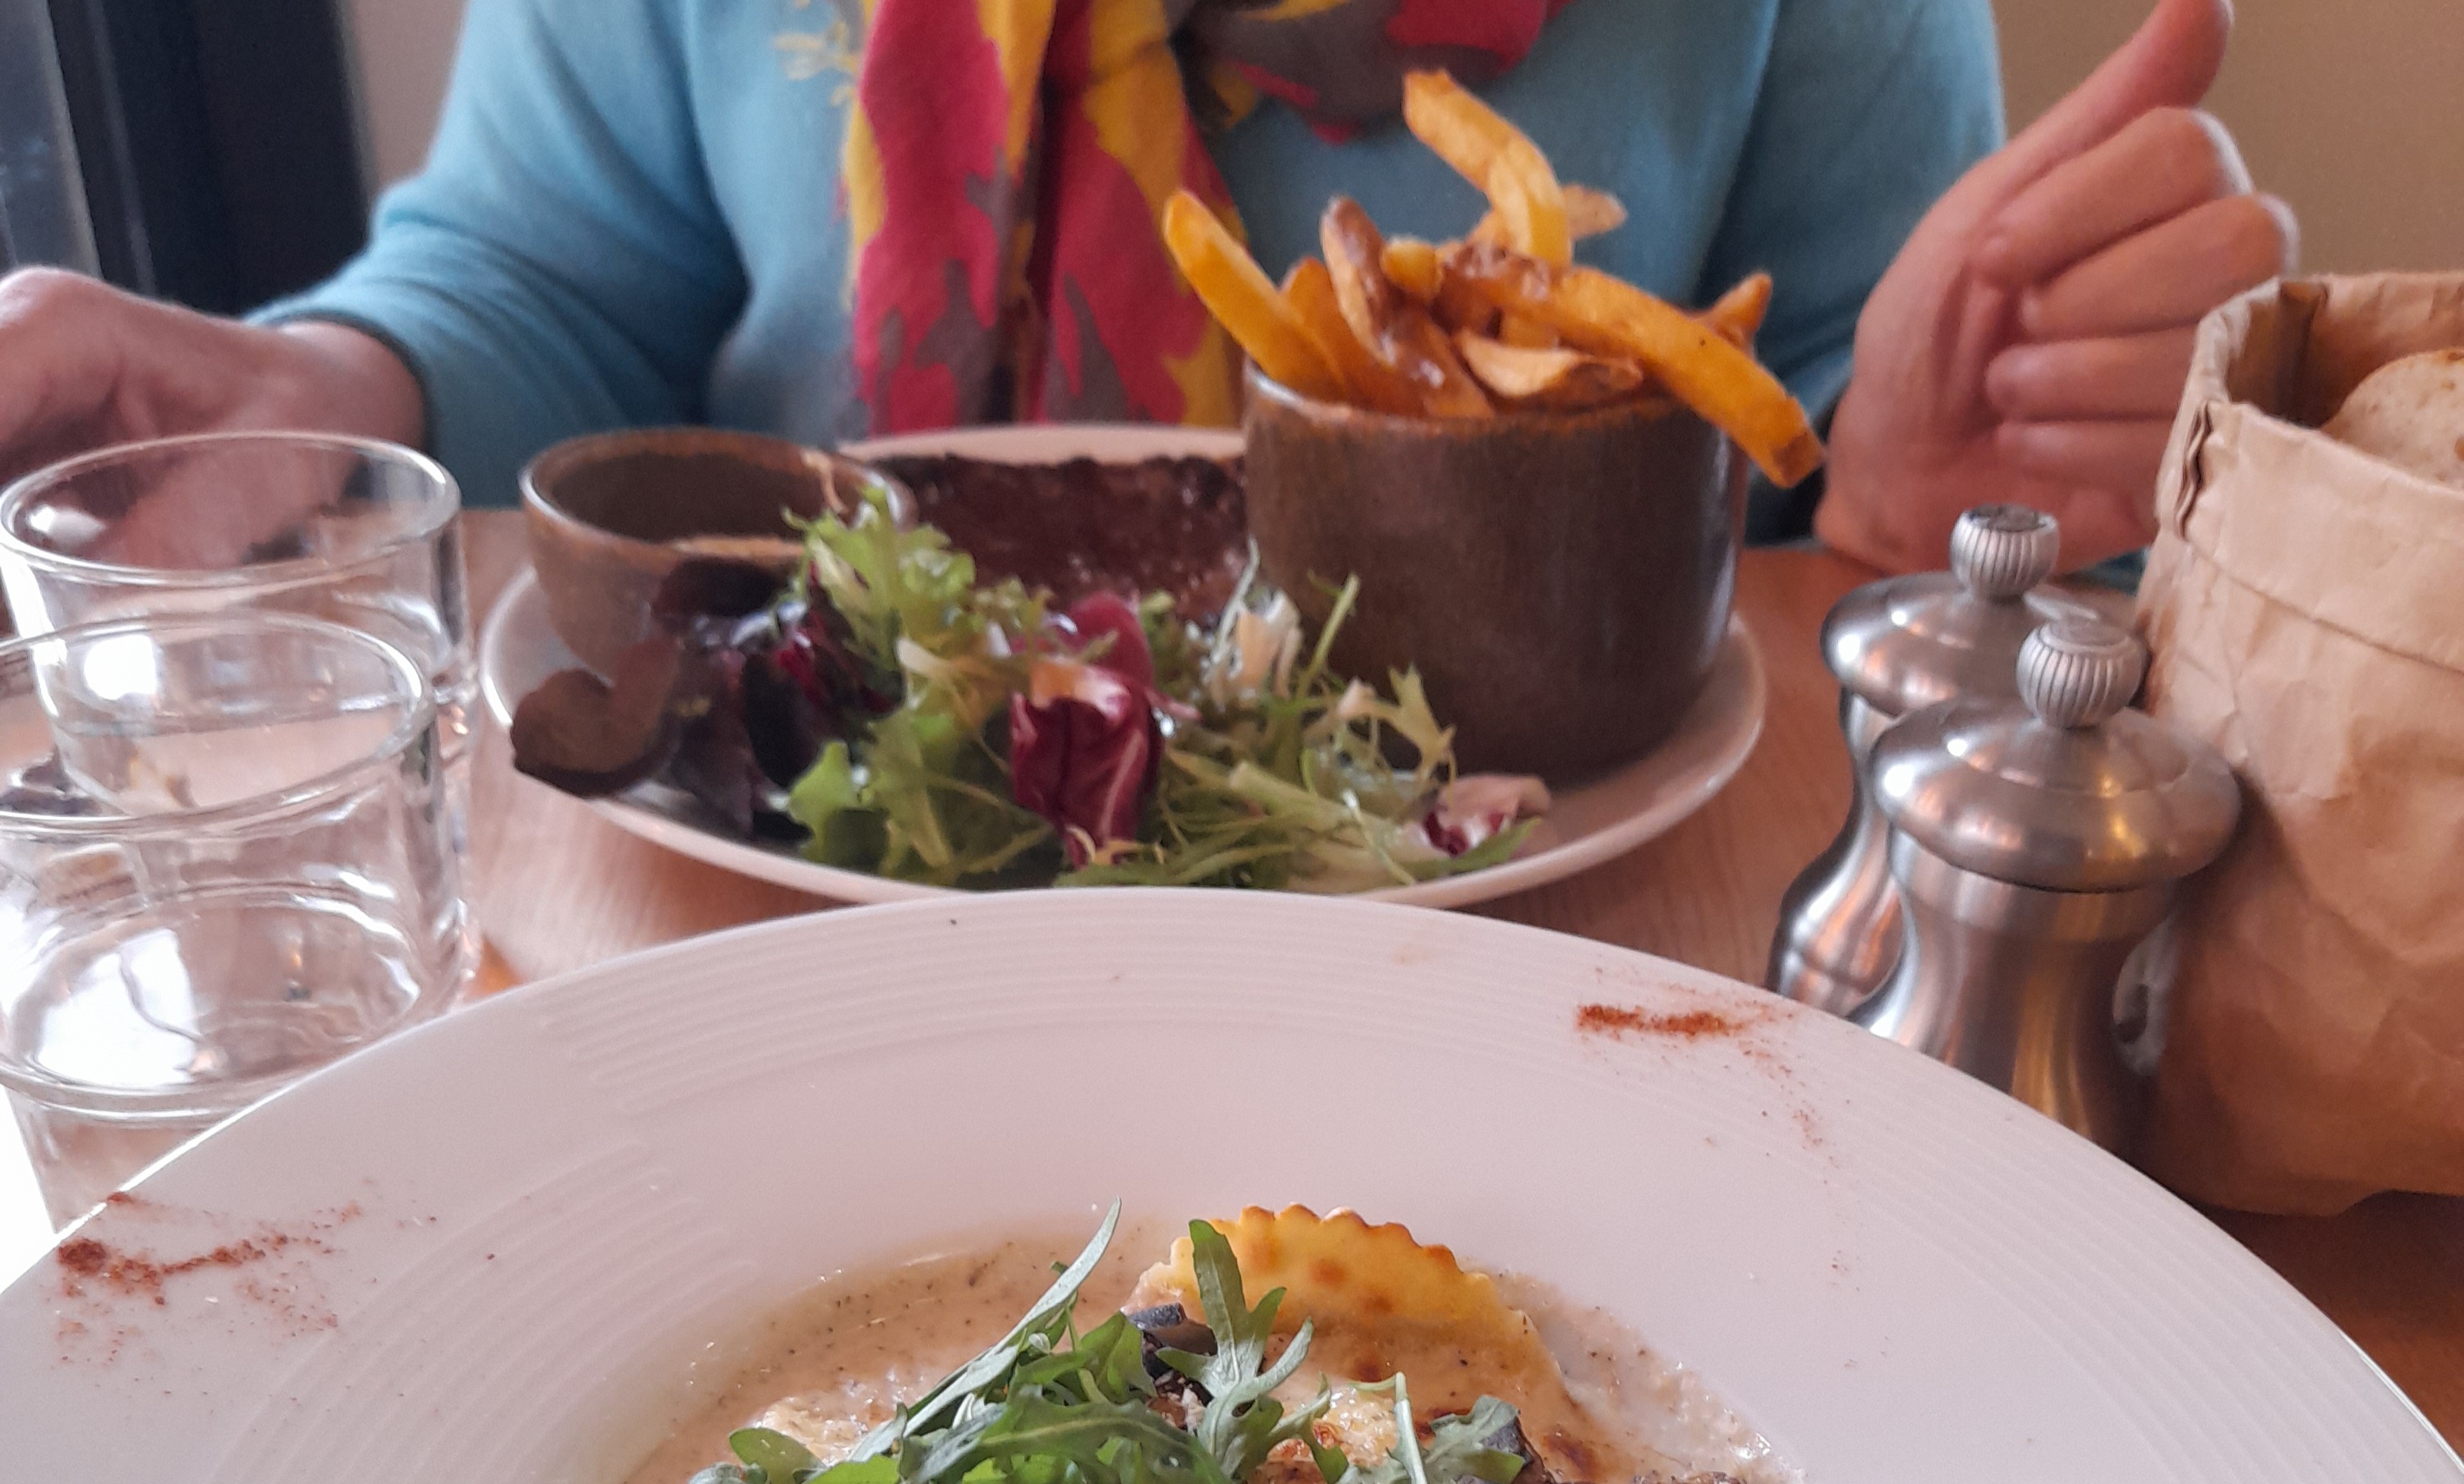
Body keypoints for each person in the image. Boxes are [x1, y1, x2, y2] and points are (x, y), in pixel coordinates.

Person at [0, 0, 2292, 572]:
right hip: (826, 883)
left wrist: (1927, 512)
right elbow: (551, 273)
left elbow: (1856, 454)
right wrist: (313, 393)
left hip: (1547, 924)